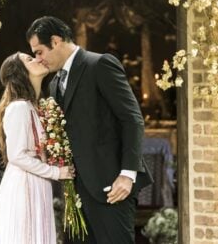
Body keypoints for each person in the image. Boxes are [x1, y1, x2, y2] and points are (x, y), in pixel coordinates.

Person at [26, 16, 153, 244]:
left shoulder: (100, 64)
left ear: (55, 41)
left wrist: (127, 175)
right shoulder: (54, 84)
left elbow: (132, 119)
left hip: (111, 187)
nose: (39, 59)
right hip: (75, 194)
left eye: (39, 52)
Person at [0, 52, 74, 244]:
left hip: (37, 183)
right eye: (29, 59)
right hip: (24, 185)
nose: (37, 59)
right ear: (20, 73)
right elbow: (17, 155)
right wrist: (56, 172)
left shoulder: (34, 106)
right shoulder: (18, 108)